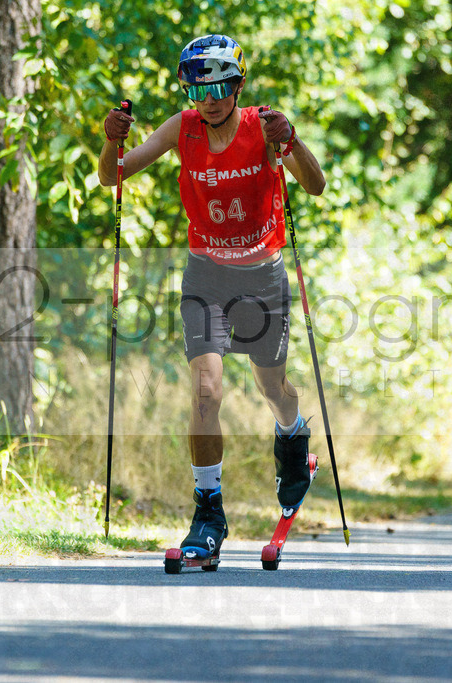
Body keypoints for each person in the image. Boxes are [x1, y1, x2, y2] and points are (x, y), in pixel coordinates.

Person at [100, 34, 326, 563]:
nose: (211, 96)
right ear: (190, 90)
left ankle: (291, 438)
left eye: (223, 84)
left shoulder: (263, 128)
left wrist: (290, 140)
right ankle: (208, 512)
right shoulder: (182, 128)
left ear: (238, 85)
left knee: (272, 385)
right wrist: (110, 141)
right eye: (200, 86)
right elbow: (114, 176)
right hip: (206, 277)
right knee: (205, 390)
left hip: (263, 276)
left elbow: (314, 186)